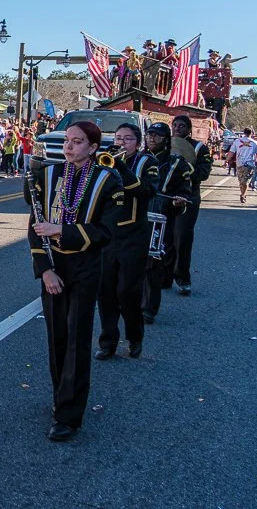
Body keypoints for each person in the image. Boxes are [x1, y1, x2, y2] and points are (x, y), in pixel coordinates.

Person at [27, 120, 123, 441]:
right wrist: (45, 270)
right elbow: (35, 225)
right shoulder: (48, 174)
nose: (68, 146)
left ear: (93, 147)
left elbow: (106, 232)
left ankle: (69, 416)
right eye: (67, 140)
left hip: (85, 266)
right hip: (54, 265)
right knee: (56, 336)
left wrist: (61, 230)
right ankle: (60, 397)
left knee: (77, 340)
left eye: (77, 141)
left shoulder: (108, 180)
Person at [96, 123, 158, 360]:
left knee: (127, 291)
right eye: (118, 138)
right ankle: (108, 342)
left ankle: (134, 337)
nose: (121, 143)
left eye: (128, 139)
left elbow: (146, 192)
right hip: (108, 235)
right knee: (105, 291)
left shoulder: (147, 163)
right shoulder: (103, 159)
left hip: (133, 235)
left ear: (138, 143)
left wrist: (120, 166)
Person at [141, 123, 193, 324]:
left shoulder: (177, 163)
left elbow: (185, 190)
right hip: (135, 215)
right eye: (149, 134)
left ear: (166, 139)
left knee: (152, 264)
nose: (152, 138)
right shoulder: (137, 159)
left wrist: (179, 200)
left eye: (157, 135)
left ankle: (149, 308)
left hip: (160, 217)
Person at [170, 115, 212, 296]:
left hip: (188, 196)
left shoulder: (199, 148)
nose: (177, 128)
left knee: (182, 238)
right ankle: (163, 276)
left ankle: (182, 279)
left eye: (182, 126)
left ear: (189, 129)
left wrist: (183, 168)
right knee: (163, 236)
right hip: (166, 194)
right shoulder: (165, 143)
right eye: (175, 125)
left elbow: (203, 173)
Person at [228, 128, 257, 204]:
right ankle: (242, 193)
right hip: (239, 164)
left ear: (244, 133)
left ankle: (243, 195)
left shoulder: (254, 143)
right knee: (241, 181)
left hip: (249, 164)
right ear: (251, 133)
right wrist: (226, 160)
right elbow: (232, 151)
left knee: (245, 181)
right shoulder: (238, 141)